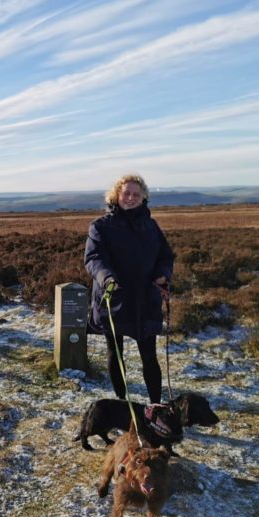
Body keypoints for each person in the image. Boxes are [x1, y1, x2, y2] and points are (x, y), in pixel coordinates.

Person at [84, 173, 174, 405]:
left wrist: (163, 275)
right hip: (114, 297)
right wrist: (107, 278)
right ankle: (122, 405)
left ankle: (155, 405)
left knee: (149, 356)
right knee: (115, 353)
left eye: (136, 194)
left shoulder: (151, 226)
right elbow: (94, 258)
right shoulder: (101, 226)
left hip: (145, 299)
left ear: (143, 197)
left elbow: (165, 255)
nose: (130, 198)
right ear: (116, 195)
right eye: (126, 193)